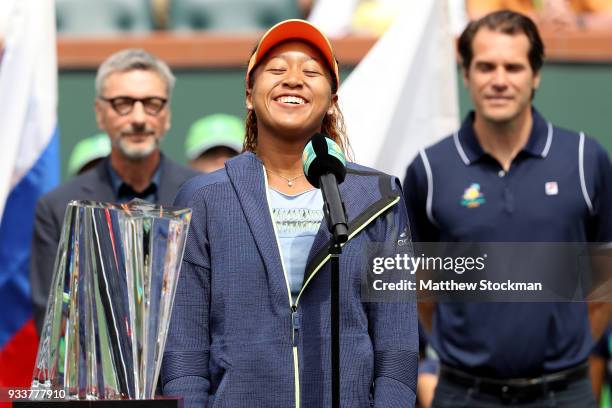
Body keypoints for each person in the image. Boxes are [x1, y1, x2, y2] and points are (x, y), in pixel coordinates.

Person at [161, 19, 419, 407]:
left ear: (332, 98)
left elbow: (396, 348)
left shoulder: (380, 197)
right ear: (250, 95)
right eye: (277, 70)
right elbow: (184, 353)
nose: (293, 79)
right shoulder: (203, 198)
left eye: (311, 71)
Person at [403, 10, 611, 406]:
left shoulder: (586, 159)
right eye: (485, 67)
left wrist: (560, 359)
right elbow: (422, 293)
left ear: (535, 76)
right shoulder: (429, 169)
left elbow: (602, 293)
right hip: (463, 394)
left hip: (564, 394)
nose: (499, 80)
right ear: (466, 74)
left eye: (513, 67)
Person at [30, 48, 199, 335]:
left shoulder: (202, 196)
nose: (138, 117)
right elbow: (53, 319)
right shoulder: (58, 208)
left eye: (152, 104)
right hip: (94, 376)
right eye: (123, 103)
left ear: (167, 114)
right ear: (99, 113)